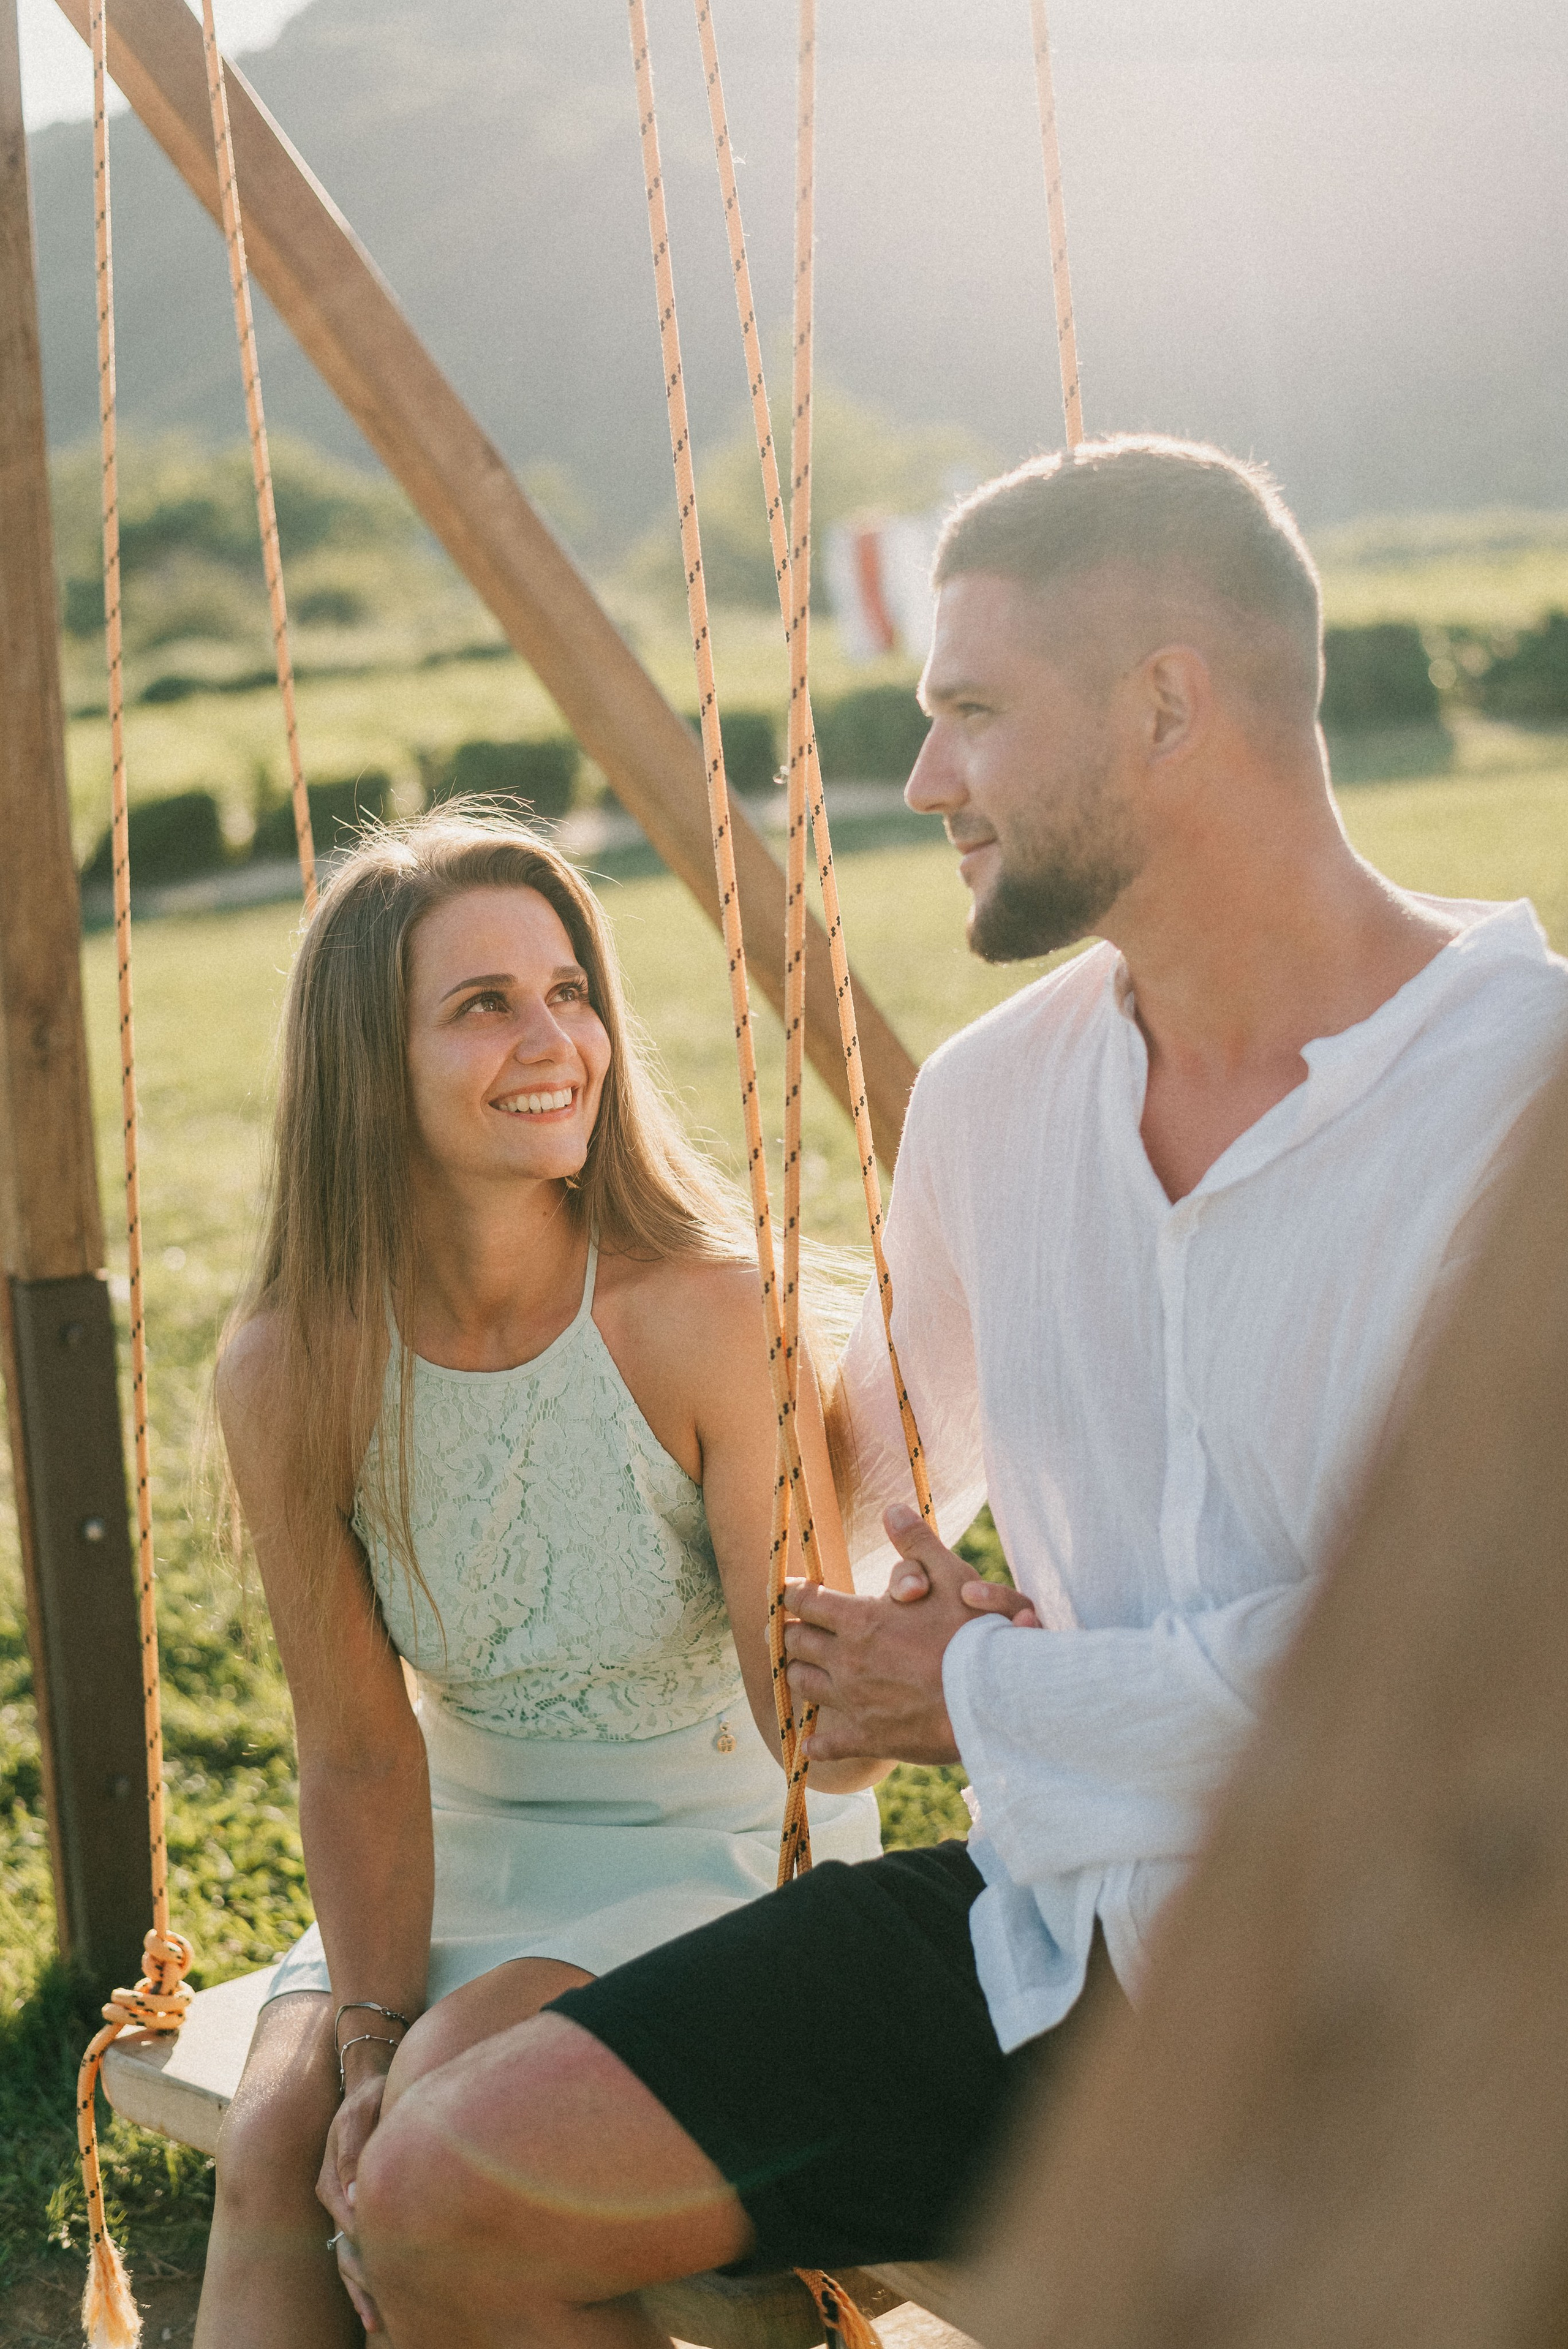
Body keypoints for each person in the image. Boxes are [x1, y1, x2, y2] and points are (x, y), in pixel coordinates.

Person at [349, 436, 1568, 2345]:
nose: (925, 781)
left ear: (1170, 704)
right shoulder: (1002, 1102)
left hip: (1432, 2031)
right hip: (1052, 1951)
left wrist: (978, 1687)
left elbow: (1447, 1684)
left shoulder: (1524, 1097)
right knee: (436, 2199)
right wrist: (810, 1591)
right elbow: (862, 1478)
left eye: (973, 712)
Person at [197, 810, 886, 2348]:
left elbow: (809, 1724)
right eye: (483, 1003)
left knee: (445, 2129)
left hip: (710, 1845)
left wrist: (929, 1668)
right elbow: (362, 1751)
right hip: (462, 1840)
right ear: (371, 1065)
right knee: (272, 2151)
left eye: (568, 989)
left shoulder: (699, 1311)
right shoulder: (293, 1367)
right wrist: (361, 2041)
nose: (552, 1037)